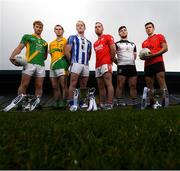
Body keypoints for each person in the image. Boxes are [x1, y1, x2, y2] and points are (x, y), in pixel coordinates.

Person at [9, 20, 48, 107]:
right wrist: (12, 56)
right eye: (37, 26)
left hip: (41, 65)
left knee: (39, 86)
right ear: (34, 27)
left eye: (40, 27)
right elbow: (20, 47)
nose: (38, 28)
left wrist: (39, 58)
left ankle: (36, 104)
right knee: (24, 84)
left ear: (42, 29)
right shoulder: (27, 37)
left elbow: (45, 56)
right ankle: (20, 104)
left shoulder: (45, 43)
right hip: (29, 64)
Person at [65, 20, 92, 109]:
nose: (80, 27)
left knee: (84, 85)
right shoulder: (72, 37)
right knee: (73, 83)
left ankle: (82, 103)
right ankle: (70, 102)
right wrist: (72, 62)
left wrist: (86, 62)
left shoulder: (89, 42)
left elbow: (89, 55)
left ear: (84, 28)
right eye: (78, 25)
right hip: (76, 63)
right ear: (76, 28)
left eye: (81, 25)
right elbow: (67, 52)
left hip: (85, 64)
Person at [142, 22, 169, 107]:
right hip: (147, 65)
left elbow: (165, 48)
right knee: (149, 84)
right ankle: (152, 103)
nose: (148, 29)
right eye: (146, 28)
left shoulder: (159, 36)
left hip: (158, 61)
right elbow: (144, 54)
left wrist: (154, 54)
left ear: (153, 28)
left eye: (150, 27)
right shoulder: (144, 43)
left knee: (161, 81)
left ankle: (165, 103)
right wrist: (142, 57)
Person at [94, 22, 116, 110]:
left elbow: (113, 49)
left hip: (106, 63)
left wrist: (111, 60)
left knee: (108, 83)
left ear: (103, 28)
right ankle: (102, 104)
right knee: (100, 86)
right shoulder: (95, 43)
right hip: (97, 65)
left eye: (99, 27)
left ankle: (110, 103)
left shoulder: (108, 37)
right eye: (95, 27)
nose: (97, 28)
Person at [115, 26, 138, 107]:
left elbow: (135, 56)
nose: (123, 31)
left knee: (133, 86)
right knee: (120, 85)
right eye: (121, 31)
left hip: (132, 66)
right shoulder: (117, 44)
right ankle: (119, 103)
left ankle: (134, 103)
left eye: (125, 30)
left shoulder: (133, 44)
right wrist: (118, 63)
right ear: (119, 33)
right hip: (122, 66)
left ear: (127, 32)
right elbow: (112, 55)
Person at [49, 25, 69, 109]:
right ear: (54, 31)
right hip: (53, 66)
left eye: (60, 29)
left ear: (63, 31)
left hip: (62, 65)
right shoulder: (51, 43)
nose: (58, 31)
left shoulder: (66, 41)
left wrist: (68, 64)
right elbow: (51, 54)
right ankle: (56, 102)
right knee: (54, 86)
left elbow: (69, 53)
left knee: (63, 85)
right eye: (56, 29)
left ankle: (64, 102)